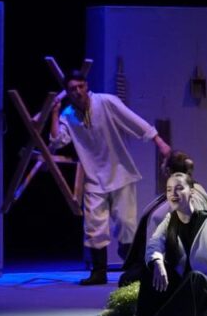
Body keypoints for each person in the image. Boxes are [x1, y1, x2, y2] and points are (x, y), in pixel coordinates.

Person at [49, 70, 171, 285]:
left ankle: (135, 270)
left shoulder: (105, 102)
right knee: (94, 226)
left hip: (120, 172)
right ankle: (99, 272)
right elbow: (57, 141)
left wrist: (159, 142)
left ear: (87, 86)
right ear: (68, 92)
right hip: (94, 178)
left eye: (80, 86)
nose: (78, 92)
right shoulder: (68, 115)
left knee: (126, 223)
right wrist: (54, 112)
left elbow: (133, 120)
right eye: (72, 89)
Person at [134, 172, 207, 316]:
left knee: (195, 276)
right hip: (184, 284)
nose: (173, 193)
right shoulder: (170, 220)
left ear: (192, 192)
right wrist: (158, 262)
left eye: (179, 188)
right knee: (152, 266)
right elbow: (154, 244)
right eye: (169, 189)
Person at [119, 150, 207, 287]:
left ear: (167, 170)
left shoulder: (184, 198)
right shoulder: (187, 192)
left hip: (176, 263)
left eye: (163, 163)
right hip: (170, 257)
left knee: (127, 279)